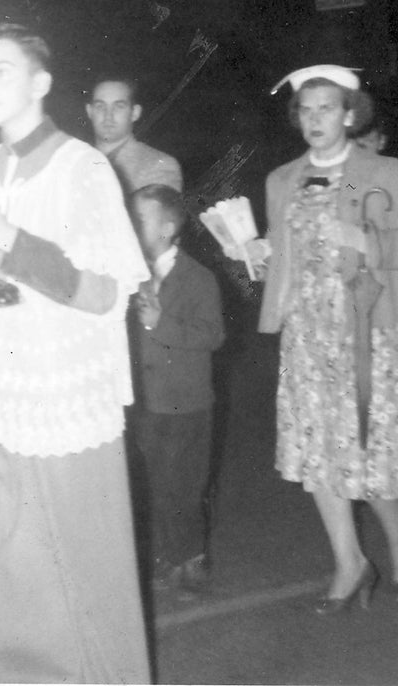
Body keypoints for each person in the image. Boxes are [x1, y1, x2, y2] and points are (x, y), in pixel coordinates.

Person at [0, 24, 151, 683]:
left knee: (56, 574)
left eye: (3, 70)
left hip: (56, 394)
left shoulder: (82, 168)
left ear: (40, 83)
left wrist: (13, 242)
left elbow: (104, 290)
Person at [243, 65, 398, 610]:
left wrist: (367, 240)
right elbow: (285, 253)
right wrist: (261, 258)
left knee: (373, 451)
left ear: (350, 113)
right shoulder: (281, 179)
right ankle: (349, 563)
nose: (315, 119)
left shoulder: (385, 171)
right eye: (306, 110)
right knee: (320, 452)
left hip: (373, 330)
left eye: (326, 108)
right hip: (309, 336)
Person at [128, 183, 226, 599]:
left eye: (141, 219)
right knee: (155, 483)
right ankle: (168, 557)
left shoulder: (198, 277)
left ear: (168, 227)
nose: (133, 226)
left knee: (184, 484)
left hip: (186, 403)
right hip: (147, 400)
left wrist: (158, 323)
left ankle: (192, 563)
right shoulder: (132, 274)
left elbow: (212, 335)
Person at [86, 73, 183, 193]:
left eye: (119, 106)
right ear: (89, 111)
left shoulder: (158, 165)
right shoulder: (72, 161)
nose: (108, 116)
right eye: (100, 106)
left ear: (135, 113)